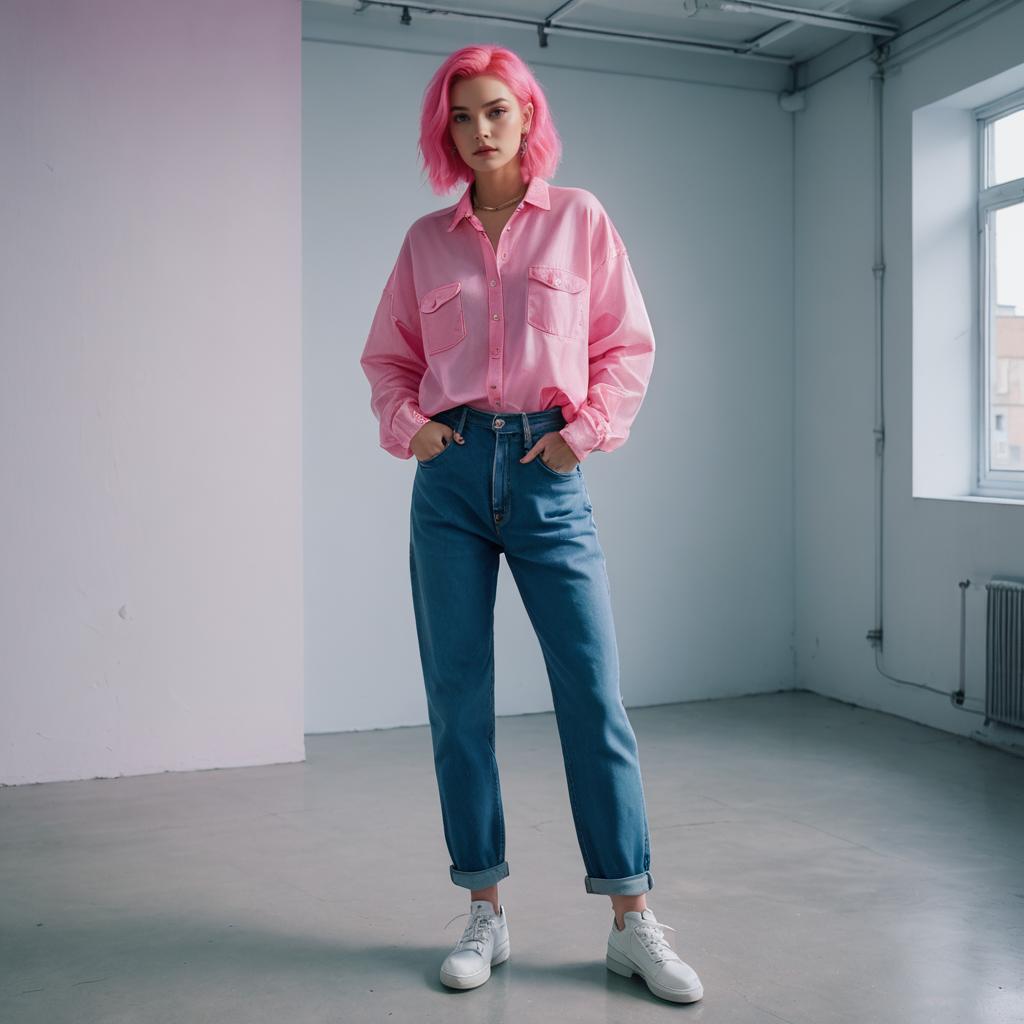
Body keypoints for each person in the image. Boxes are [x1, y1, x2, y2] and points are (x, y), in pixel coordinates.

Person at [358, 44, 704, 1005]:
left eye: (496, 111)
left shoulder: (581, 220)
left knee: (593, 694)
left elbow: (625, 345)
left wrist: (579, 437)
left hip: (547, 474)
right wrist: (415, 431)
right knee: (457, 701)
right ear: (447, 130)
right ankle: (486, 910)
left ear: (526, 117)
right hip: (452, 482)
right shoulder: (426, 242)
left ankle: (632, 922)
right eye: (462, 115)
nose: (480, 131)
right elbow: (387, 360)